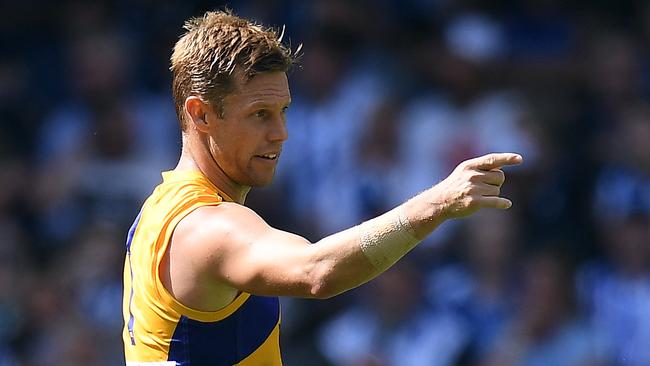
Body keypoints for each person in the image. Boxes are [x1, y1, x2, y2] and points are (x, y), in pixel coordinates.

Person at [121, 10, 523, 365]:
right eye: (259, 114)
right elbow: (316, 271)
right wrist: (440, 201)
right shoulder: (205, 227)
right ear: (201, 114)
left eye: (283, 112)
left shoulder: (158, 211)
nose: (280, 134)